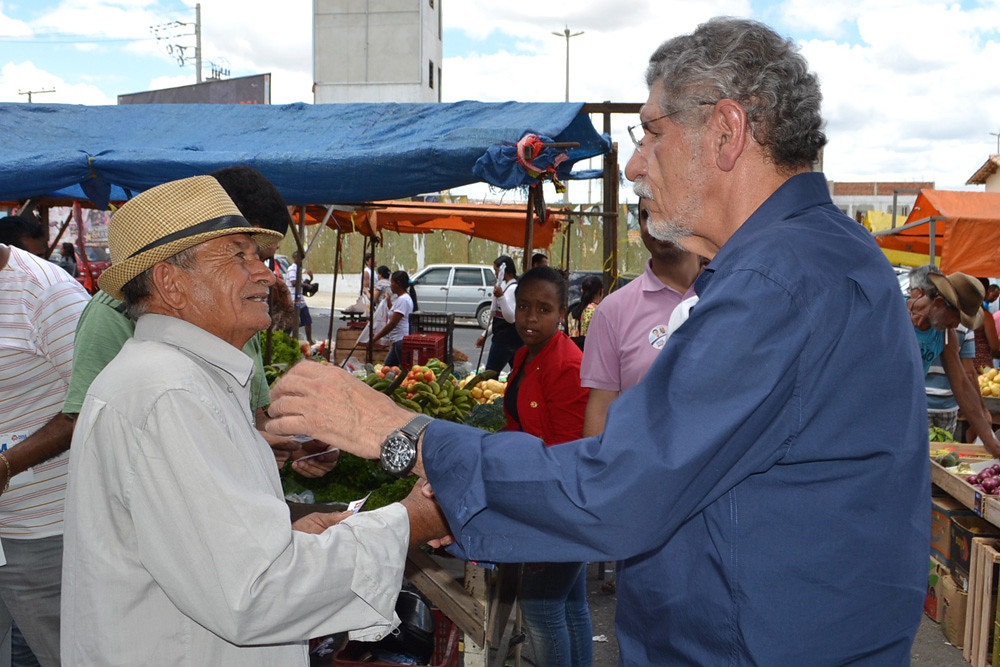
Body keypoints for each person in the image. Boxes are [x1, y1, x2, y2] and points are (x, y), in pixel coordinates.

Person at [266, 17, 931, 665]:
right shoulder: (832, 254)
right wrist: (467, 492)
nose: (637, 163)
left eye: (651, 133)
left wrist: (399, 432)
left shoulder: (777, 281)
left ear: (726, 131)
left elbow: (617, 489)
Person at [60, 175, 450, 665]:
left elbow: (219, 552)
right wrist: (411, 519)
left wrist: (294, 539)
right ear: (170, 283)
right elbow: (256, 593)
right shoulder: (168, 392)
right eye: (238, 256)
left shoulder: (188, 378)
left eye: (259, 258)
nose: (265, 275)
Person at [0, 240, 90, 667]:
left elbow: (96, 401)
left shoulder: (46, 293)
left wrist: (7, 463)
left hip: (49, 531)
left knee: (69, 656)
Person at [503, 267, 592, 667]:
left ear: (561, 314)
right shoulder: (525, 355)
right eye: (524, 307)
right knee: (570, 604)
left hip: (562, 504)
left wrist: (541, 521)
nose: (530, 318)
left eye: (543, 309)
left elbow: (570, 454)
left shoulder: (567, 365)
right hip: (543, 498)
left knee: (540, 607)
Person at [581, 196, 703, 437]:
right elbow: (600, 410)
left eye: (668, 210)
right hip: (640, 469)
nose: (656, 224)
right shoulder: (612, 311)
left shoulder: (728, 291)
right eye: (647, 215)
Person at [908, 266, 1000, 451]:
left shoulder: (945, 335)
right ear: (939, 303)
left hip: (909, 412)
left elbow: (962, 386)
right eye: (957, 317)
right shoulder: (897, 316)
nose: (957, 325)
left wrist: (991, 442)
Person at [476, 255, 521, 372]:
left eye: (496, 270)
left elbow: (511, 318)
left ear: (503, 271)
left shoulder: (512, 289)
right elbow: (498, 316)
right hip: (511, 339)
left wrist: (500, 297)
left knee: (491, 373)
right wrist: (484, 334)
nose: (495, 274)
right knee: (516, 372)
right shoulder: (508, 286)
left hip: (505, 340)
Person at [371, 270, 417, 367]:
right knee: (387, 368)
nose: (390, 285)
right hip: (397, 341)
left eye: (392, 282)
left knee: (401, 370)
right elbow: (396, 313)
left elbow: (392, 324)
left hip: (401, 340)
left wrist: (375, 338)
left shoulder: (403, 300)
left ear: (398, 284)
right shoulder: (401, 299)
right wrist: (388, 303)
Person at [285, 249, 314, 345]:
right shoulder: (292, 269)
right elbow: (294, 283)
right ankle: (287, 339)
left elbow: (301, 283)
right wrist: (305, 285)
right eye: (300, 258)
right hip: (294, 300)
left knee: (307, 320)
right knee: (292, 323)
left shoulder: (298, 269)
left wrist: (310, 279)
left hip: (299, 299)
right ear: (295, 258)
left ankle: (309, 340)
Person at [973, 278, 999, 374]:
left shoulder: (961, 313)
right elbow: (995, 347)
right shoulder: (985, 316)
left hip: (964, 366)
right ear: (987, 291)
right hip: (984, 368)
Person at [568, 275, 603, 340]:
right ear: (601, 292)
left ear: (582, 291)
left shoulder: (572, 310)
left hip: (573, 348)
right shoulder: (599, 312)